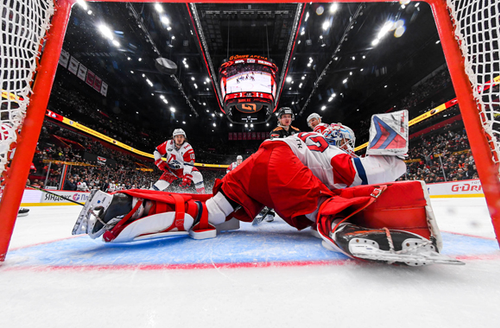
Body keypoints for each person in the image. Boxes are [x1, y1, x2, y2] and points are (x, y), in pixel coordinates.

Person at [73, 110, 459, 266]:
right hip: (283, 166)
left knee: (211, 212)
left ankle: (130, 206)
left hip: (257, 166)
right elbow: (360, 171)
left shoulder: (312, 139)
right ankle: (351, 229)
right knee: (322, 207)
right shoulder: (333, 150)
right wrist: (394, 158)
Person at [152, 128, 205, 194]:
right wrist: (159, 162)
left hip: (183, 169)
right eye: (177, 137)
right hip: (170, 170)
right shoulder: (168, 144)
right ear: (173, 138)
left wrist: (186, 176)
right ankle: (148, 193)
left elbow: (188, 164)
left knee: (198, 175)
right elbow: (157, 151)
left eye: (181, 137)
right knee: (159, 185)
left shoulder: (188, 148)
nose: (179, 139)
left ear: (184, 138)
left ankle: (202, 194)